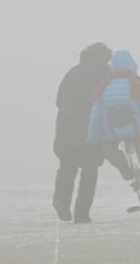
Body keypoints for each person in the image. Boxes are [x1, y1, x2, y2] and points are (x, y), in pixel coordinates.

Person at [52, 42, 112, 224]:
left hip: (67, 127)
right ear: (101, 57)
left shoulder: (72, 72)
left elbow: (59, 100)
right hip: (90, 128)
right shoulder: (104, 72)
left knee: (67, 167)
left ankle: (61, 200)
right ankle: (82, 214)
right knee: (90, 170)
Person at [87, 50, 140, 181]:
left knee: (108, 149)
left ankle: (125, 169)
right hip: (136, 130)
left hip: (112, 133)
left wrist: (93, 139)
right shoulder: (137, 84)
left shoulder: (103, 86)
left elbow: (95, 116)